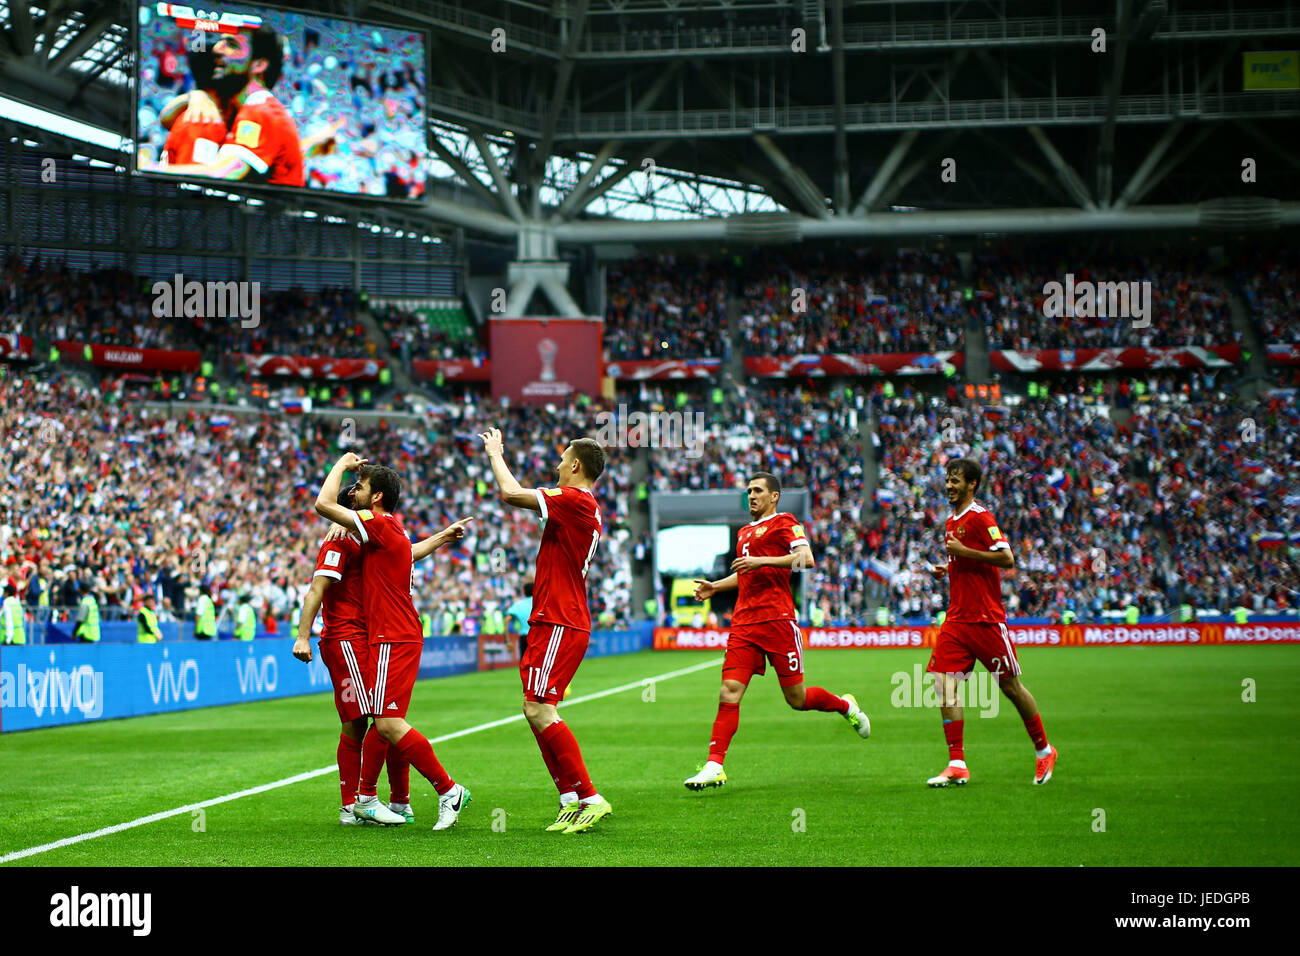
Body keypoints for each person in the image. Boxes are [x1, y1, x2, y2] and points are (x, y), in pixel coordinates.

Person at [295, 481, 472, 827]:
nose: (356, 501)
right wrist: (303, 635)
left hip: (378, 635)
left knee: (378, 719)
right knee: (370, 721)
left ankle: (390, 800)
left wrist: (441, 537)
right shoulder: (342, 537)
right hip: (349, 637)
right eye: (354, 495)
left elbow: (405, 551)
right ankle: (361, 802)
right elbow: (318, 585)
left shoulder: (372, 532)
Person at [685, 472, 870, 791]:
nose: (751, 496)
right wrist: (715, 587)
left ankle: (845, 706)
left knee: (796, 699)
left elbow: (806, 559)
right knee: (729, 690)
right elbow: (746, 576)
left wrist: (761, 561)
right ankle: (715, 765)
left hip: (778, 620)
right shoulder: (743, 533)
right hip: (744, 622)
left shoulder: (785, 522)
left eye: (758, 491)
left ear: (774, 497)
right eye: (748, 491)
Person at [478, 427, 611, 834]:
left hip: (560, 618)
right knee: (533, 708)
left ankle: (590, 796)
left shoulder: (575, 500)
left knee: (539, 709)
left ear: (575, 465)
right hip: (553, 617)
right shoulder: (579, 506)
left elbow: (511, 494)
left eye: (561, 458)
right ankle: (569, 798)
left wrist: (495, 454)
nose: (555, 465)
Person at [922, 457, 1057, 787]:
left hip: (985, 619)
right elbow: (964, 558)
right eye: (948, 479)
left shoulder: (981, 518)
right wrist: (949, 566)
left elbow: (1007, 558)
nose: (950, 485)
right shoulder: (951, 521)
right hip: (957, 618)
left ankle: (1044, 750)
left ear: (972, 485)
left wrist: (965, 553)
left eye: (956, 480)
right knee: (943, 684)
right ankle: (957, 763)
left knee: (1009, 686)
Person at [148, 25, 305, 186]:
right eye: (221, 42)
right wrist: (193, 96)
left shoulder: (261, 110)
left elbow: (224, 173)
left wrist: (147, 170)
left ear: (258, 64)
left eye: (232, 45)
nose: (217, 49)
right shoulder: (240, 110)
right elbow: (167, 120)